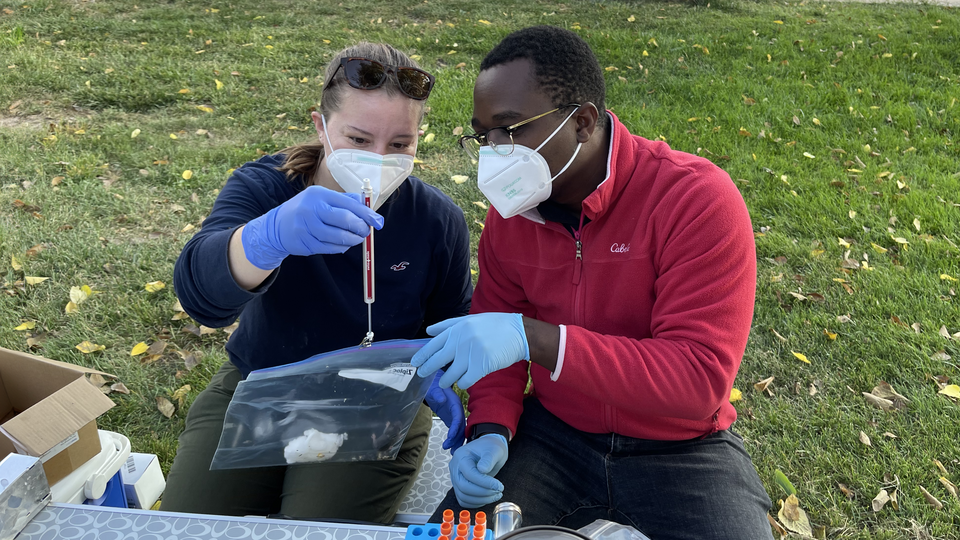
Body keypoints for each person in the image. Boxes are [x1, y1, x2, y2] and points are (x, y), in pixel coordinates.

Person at [412, 26, 774, 540]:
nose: (492, 153)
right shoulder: (512, 214)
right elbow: (495, 344)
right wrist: (492, 428)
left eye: (510, 129)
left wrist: (531, 337)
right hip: (555, 434)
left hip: (682, 445)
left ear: (581, 122)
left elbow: (696, 381)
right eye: (483, 134)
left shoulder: (695, 200)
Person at [164, 42, 473, 523]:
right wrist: (266, 238)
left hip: (376, 399)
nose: (378, 159)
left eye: (399, 145)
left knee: (318, 528)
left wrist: (435, 371)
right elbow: (202, 297)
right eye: (358, 139)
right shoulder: (266, 188)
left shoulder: (436, 221)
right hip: (261, 383)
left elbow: (450, 324)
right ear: (320, 126)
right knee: (192, 525)